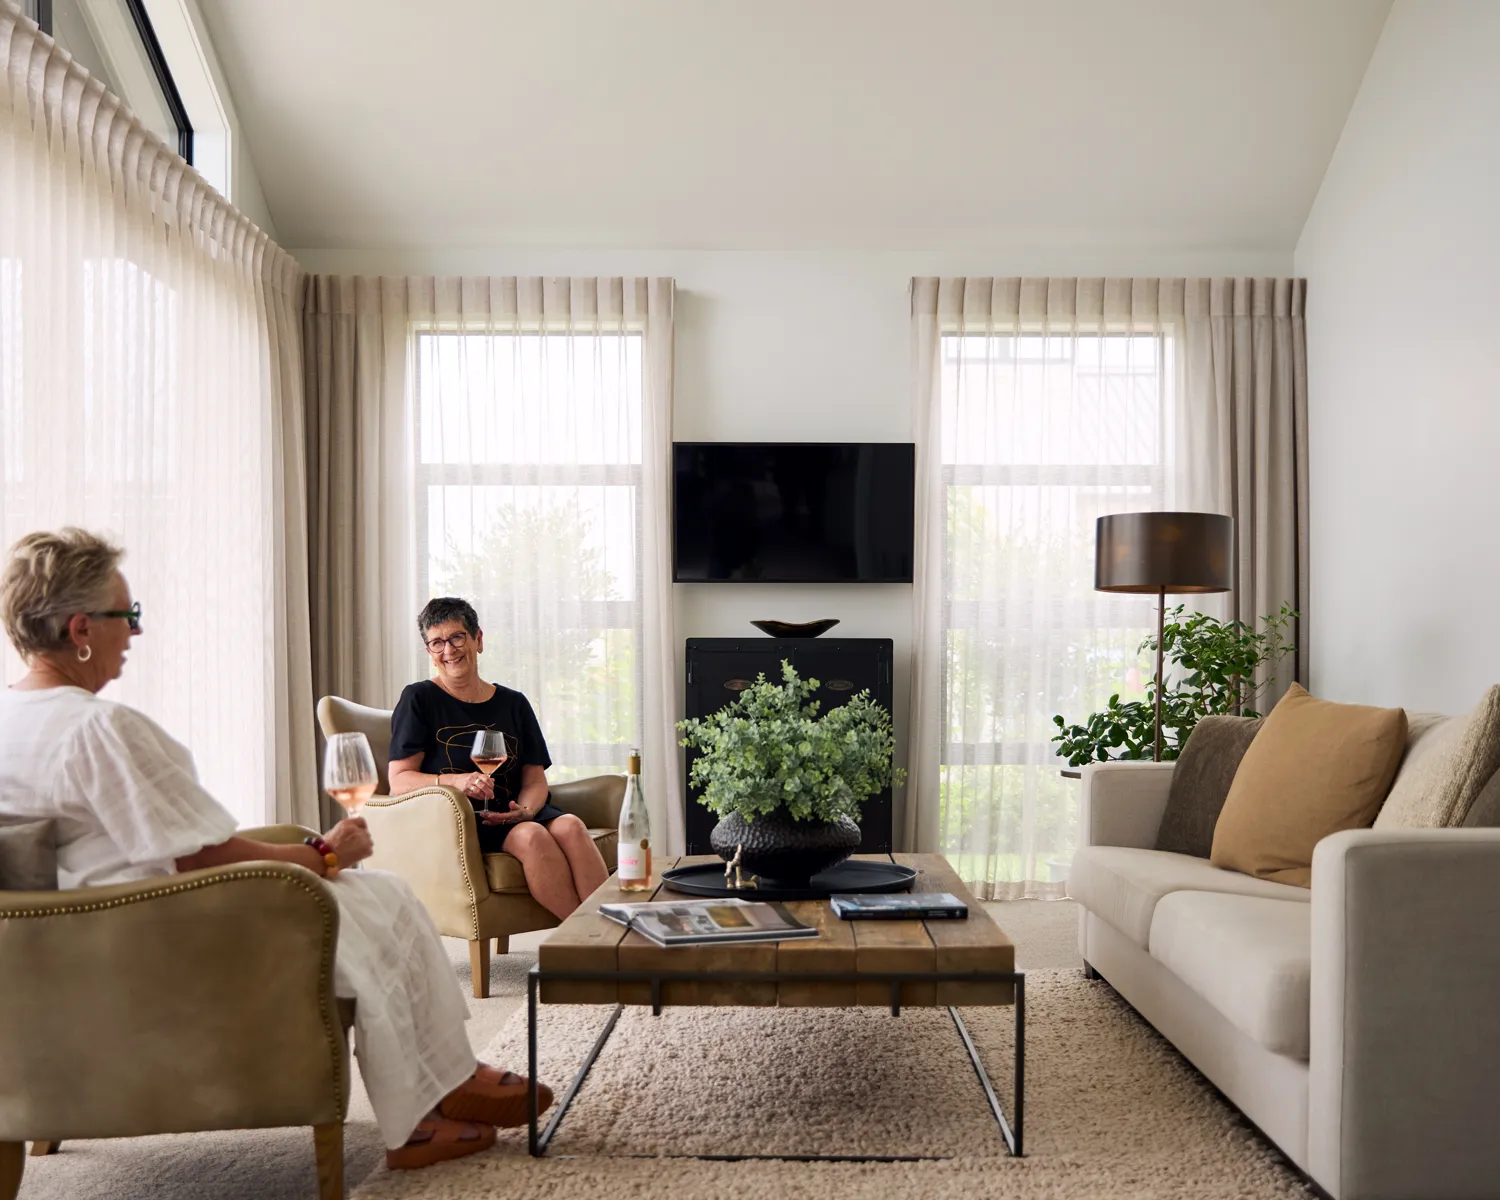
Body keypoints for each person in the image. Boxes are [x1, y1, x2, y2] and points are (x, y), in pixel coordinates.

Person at [0, 529, 553, 1172]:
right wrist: (325, 854)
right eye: (130, 615)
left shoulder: (12, 720)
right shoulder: (99, 727)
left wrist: (316, 852)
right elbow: (203, 858)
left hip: (69, 955)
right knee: (378, 893)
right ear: (79, 629)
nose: (136, 631)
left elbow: (178, 848)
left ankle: (442, 1087)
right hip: (165, 940)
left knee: (371, 897)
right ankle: (435, 1096)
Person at [387, 597, 608, 919]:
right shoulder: (418, 698)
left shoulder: (514, 703)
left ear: (478, 639)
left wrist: (526, 811)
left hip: (514, 811)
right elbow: (399, 781)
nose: (448, 650)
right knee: (532, 837)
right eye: (437, 643)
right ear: (429, 653)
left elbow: (534, 779)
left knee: (571, 826)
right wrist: (458, 781)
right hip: (461, 820)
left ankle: (611, 934)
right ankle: (592, 941)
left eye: (457, 637)